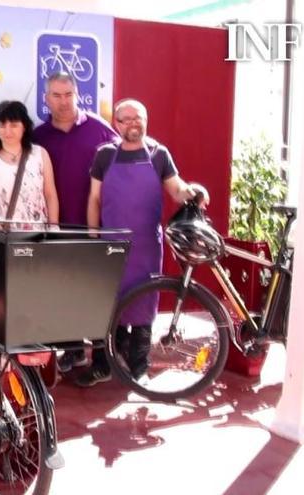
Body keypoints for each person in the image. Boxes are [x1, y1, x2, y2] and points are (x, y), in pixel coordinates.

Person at [76, 99, 208, 387]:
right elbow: (94, 199)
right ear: (117, 124)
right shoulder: (104, 155)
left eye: (139, 118)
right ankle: (102, 366)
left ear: (146, 121)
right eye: (126, 119)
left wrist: (195, 191)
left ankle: (139, 367)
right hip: (110, 246)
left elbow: (176, 189)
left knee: (144, 306)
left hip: (146, 246)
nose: (133, 123)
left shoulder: (159, 154)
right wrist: (92, 235)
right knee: (105, 306)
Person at [33, 72, 118, 372]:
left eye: (68, 94)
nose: (63, 101)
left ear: (77, 95)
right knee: (63, 291)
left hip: (95, 226)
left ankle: (103, 357)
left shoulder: (100, 130)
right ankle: (71, 350)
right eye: (56, 95)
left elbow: (125, 162)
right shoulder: (38, 137)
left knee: (96, 293)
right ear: (46, 99)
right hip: (56, 224)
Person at [0, 100, 59, 229]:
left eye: (13, 125)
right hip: (0, 237)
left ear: (24, 126)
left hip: (37, 236)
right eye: (2, 125)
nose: (7, 131)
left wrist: (54, 226)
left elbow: (50, 195)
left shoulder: (40, 154)